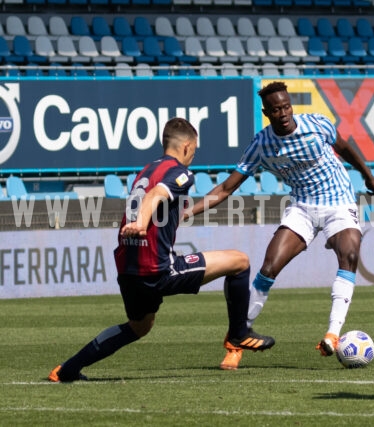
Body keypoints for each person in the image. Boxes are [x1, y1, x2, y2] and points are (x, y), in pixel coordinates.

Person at [48, 117, 274, 382]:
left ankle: (67, 370)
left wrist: (161, 217)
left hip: (128, 269)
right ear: (187, 146)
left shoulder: (147, 169)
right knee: (240, 261)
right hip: (157, 269)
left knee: (139, 327)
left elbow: (152, 193)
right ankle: (238, 333)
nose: (193, 156)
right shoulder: (180, 172)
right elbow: (155, 195)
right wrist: (142, 223)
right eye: (195, 150)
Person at [187, 81, 374, 370]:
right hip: (302, 207)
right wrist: (190, 210)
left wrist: (367, 176)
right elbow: (227, 187)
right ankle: (237, 341)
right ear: (267, 113)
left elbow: (344, 146)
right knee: (269, 268)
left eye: (287, 106)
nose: (283, 113)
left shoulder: (317, 124)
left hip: (339, 201)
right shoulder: (262, 144)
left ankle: (332, 333)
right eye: (276, 109)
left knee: (350, 254)